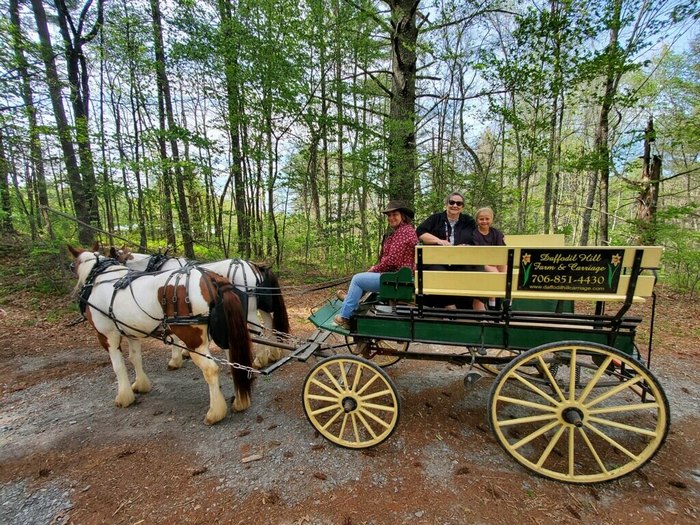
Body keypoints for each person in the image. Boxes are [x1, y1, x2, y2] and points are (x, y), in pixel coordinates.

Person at [334, 200, 418, 329]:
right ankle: (349, 299)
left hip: (396, 279)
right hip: (397, 277)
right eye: (389, 215)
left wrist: (375, 269)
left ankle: (345, 317)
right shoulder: (404, 231)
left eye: (395, 214)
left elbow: (392, 260)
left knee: (357, 279)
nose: (391, 218)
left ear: (403, 216)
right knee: (362, 279)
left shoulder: (404, 232)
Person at [416, 191, 476, 308]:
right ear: (446, 204)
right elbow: (420, 232)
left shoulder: (468, 221)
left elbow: (475, 238)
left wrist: (465, 246)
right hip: (438, 259)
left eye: (459, 203)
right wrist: (439, 241)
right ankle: (449, 305)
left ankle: (469, 307)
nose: (455, 205)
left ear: (462, 207)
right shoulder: (436, 219)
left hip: (461, 260)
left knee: (473, 271)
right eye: (452, 202)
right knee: (438, 273)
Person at [471, 206, 506, 310]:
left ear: (492, 219)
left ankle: (503, 301)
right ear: (477, 220)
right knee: (494, 273)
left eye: (487, 219)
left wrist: (497, 261)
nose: (484, 221)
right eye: (481, 219)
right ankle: (492, 304)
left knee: (505, 270)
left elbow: (502, 250)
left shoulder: (496, 233)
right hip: (482, 262)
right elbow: (478, 253)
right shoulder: (474, 234)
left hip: (496, 261)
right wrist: (492, 262)